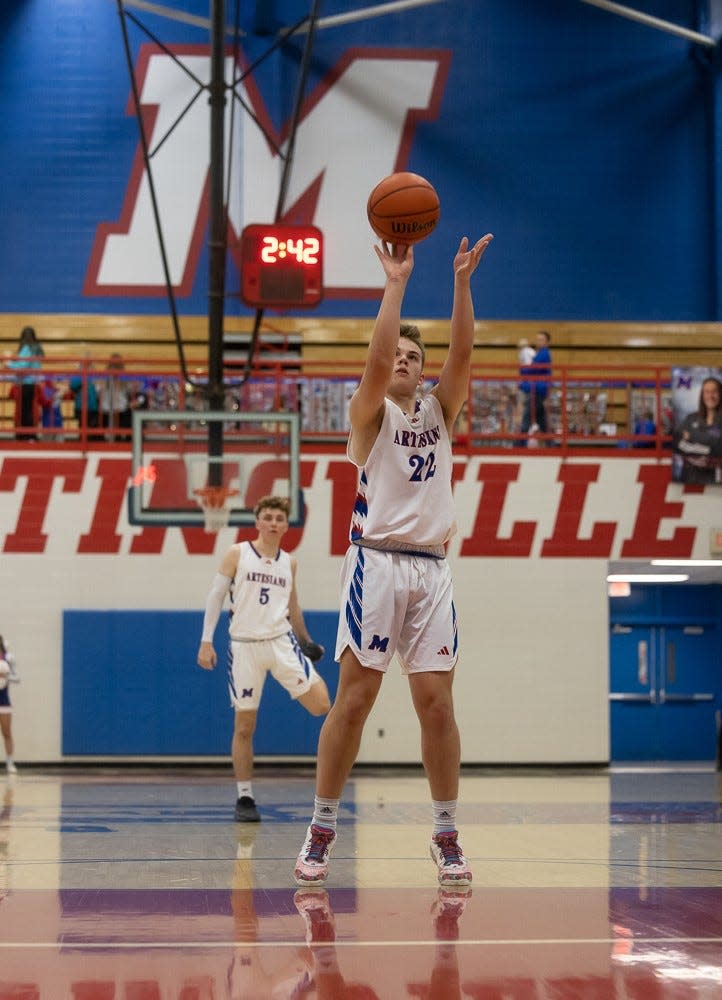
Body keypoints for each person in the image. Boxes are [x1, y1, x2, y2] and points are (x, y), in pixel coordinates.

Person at [293, 231, 494, 889]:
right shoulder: (369, 413)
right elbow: (376, 359)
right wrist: (396, 282)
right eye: (398, 353)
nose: (403, 360)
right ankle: (322, 827)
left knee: (437, 704)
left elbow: (462, 351)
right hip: (375, 565)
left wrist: (461, 283)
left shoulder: (440, 410)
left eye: (415, 354)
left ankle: (445, 832)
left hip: (432, 569)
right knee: (355, 699)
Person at [197, 495, 331, 822]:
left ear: (286, 525)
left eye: (278, 518)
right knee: (245, 725)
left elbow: (292, 606)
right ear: (257, 522)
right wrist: (206, 641)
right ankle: (245, 797)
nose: (273, 522)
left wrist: (306, 641)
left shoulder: (290, 562)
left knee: (321, 704)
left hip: (280, 642)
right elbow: (215, 598)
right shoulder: (237, 553)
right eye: (267, 517)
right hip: (243, 646)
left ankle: (328, 783)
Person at [673, 376, 722, 484]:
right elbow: (676, 442)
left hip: (715, 482)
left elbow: (717, 450)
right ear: (702, 395)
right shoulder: (691, 418)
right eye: (707, 392)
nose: (711, 396)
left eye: (715, 392)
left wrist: (690, 442)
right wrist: (706, 449)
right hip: (689, 479)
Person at [7, 325, 44, 439]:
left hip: (26, 384)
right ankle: (30, 434)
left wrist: (8, 363)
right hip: (33, 383)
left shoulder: (27, 348)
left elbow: (22, 366)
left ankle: (25, 435)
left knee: (25, 411)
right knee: (30, 410)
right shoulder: (36, 348)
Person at [519, 330, 552, 440]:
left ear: (547, 342)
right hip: (537, 389)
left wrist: (523, 369)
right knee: (540, 418)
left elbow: (531, 370)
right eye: (538, 339)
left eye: (541, 340)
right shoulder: (539, 354)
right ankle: (550, 443)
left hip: (538, 389)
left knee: (527, 416)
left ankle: (519, 445)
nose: (539, 342)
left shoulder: (544, 354)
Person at [0, 637, 20, 775]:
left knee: (7, 732)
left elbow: (17, 678)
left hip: (3, 700)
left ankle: (10, 764)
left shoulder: (8, 658)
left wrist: (5, 676)